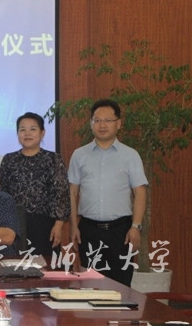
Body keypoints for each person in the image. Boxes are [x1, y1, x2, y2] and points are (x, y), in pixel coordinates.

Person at [68, 99, 148, 287]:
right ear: (91, 124)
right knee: (90, 286)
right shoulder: (79, 155)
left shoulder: (130, 155)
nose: (102, 125)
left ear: (118, 123)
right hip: (88, 230)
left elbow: (140, 193)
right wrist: (73, 226)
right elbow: (72, 192)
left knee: (122, 287)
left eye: (107, 120)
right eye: (97, 120)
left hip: (121, 232)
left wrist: (136, 226)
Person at [0, 112, 70, 256]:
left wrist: (58, 225)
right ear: (18, 134)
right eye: (22, 129)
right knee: (16, 264)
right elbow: (3, 194)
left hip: (44, 224)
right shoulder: (9, 160)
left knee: (45, 264)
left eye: (33, 129)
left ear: (42, 133)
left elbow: (61, 194)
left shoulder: (53, 159)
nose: (27, 134)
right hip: (15, 223)